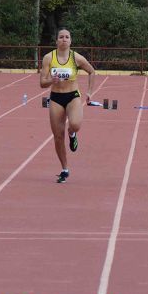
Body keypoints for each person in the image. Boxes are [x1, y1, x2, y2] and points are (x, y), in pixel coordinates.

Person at [39, 29, 95, 183]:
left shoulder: (76, 58)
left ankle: (72, 134)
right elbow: (42, 83)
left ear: (71, 41)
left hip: (72, 96)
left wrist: (90, 92)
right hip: (56, 97)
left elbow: (91, 71)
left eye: (67, 37)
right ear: (56, 41)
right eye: (61, 37)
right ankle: (64, 169)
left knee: (75, 124)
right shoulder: (48, 58)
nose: (64, 39)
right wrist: (52, 80)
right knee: (58, 136)